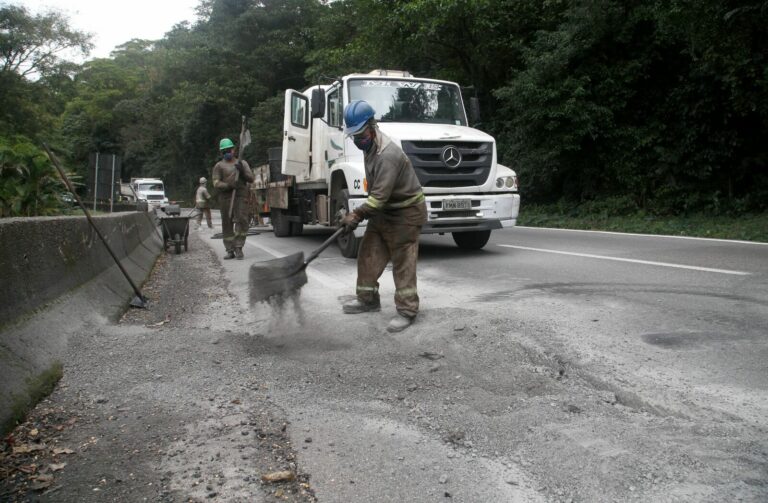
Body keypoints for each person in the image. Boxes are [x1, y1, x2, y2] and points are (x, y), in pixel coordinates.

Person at [339, 100, 427, 332]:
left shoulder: (388, 154)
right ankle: (367, 300)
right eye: (354, 136)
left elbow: (378, 198)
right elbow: (379, 200)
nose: (358, 140)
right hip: (385, 211)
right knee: (368, 253)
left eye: (360, 135)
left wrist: (356, 214)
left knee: (402, 260)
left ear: (372, 125)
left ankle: (407, 310)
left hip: (406, 213)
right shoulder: (370, 148)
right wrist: (359, 215)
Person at [212, 138, 255, 260]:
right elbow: (216, 183)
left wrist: (242, 172)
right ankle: (230, 249)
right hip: (225, 198)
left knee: (242, 221)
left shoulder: (243, 163)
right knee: (227, 223)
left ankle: (239, 247)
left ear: (234, 150)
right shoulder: (219, 166)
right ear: (221, 152)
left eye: (229, 150)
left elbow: (251, 178)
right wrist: (228, 185)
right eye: (224, 151)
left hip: (240, 196)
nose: (227, 152)